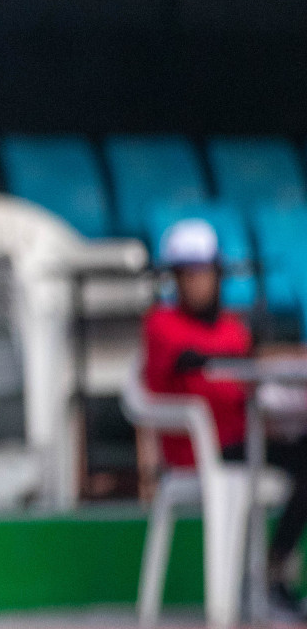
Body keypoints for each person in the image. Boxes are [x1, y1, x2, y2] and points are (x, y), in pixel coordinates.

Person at [144, 217, 307, 616]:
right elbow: (201, 362)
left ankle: (272, 574)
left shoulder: (233, 327)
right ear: (174, 279)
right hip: (199, 452)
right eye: (188, 274)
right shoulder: (162, 323)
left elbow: (250, 379)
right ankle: (265, 579)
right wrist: (270, 359)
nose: (198, 283)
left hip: (243, 440)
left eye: (205, 273)